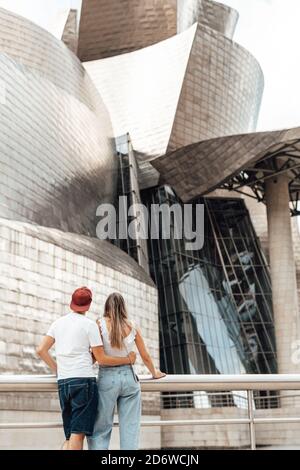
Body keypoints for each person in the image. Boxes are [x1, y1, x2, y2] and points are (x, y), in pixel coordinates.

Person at [36, 287, 137, 451]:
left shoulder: (58, 323)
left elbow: (41, 350)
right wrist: (128, 359)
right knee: (78, 434)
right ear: (88, 306)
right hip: (83, 382)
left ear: (71, 303)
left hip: (63, 382)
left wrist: (58, 369)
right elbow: (101, 358)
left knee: (70, 435)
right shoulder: (89, 325)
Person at [87, 292, 166, 451]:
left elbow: (96, 356)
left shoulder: (99, 324)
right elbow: (145, 356)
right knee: (130, 428)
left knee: (101, 428)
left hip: (107, 380)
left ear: (107, 307)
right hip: (130, 379)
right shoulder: (132, 326)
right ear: (123, 307)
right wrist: (155, 373)